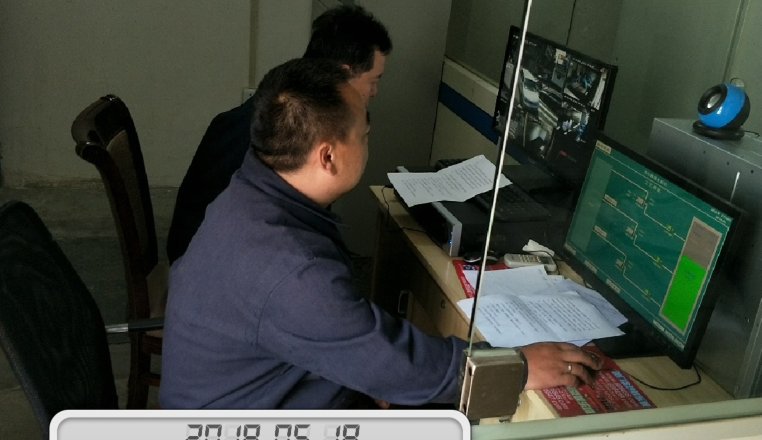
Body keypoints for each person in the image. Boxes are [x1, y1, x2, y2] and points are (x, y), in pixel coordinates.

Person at [159, 58, 603, 409]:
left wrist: (365, 372)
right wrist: (518, 366)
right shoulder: (290, 269)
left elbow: (338, 333)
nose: (368, 142)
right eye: (364, 134)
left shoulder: (248, 192)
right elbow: (389, 361)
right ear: (328, 156)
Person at [165, 5, 392, 265]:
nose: (374, 92)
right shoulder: (282, 132)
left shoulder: (280, 108)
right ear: (343, 74)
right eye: (373, 81)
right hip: (213, 263)